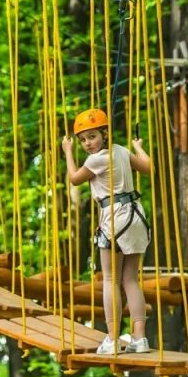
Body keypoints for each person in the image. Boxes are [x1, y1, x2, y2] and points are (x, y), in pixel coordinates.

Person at [62, 108, 152, 355]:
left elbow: (74, 178)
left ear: (104, 133)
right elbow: (147, 167)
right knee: (130, 280)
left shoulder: (95, 160)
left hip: (115, 219)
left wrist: (68, 152)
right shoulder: (122, 151)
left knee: (111, 280)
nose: (87, 143)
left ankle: (112, 340)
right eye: (82, 140)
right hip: (136, 216)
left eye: (92, 136)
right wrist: (138, 147)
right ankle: (139, 338)